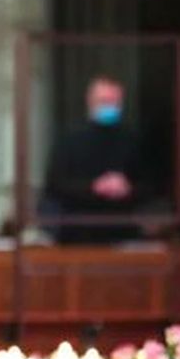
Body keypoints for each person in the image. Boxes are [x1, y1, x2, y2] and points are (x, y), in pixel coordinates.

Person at [40, 75, 150, 243]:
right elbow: (55, 184)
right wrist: (94, 187)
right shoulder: (70, 140)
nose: (109, 106)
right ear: (90, 101)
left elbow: (148, 185)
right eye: (103, 101)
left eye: (113, 101)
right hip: (77, 232)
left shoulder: (133, 141)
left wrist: (127, 187)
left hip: (122, 231)